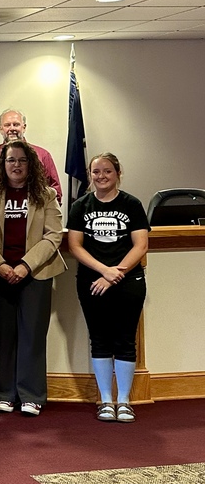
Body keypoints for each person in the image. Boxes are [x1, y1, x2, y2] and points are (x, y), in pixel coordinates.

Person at [0, 140, 65, 417]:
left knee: (32, 336)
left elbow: (54, 234)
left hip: (35, 274)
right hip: (0, 273)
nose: (16, 165)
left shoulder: (45, 194)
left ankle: (32, 395)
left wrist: (26, 265)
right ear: (2, 166)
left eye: (21, 160)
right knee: (3, 336)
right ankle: (4, 393)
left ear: (31, 164)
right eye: (10, 160)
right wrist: (1, 265)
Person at [67, 153, 149, 423]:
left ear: (117, 173)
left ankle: (124, 401)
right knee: (100, 338)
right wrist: (103, 271)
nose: (101, 176)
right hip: (92, 282)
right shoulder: (81, 205)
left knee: (125, 339)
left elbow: (141, 245)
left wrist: (116, 273)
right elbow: (75, 245)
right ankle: (105, 400)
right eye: (95, 172)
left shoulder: (132, 204)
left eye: (107, 171)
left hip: (129, 281)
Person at [0, 109, 61, 200]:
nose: (12, 128)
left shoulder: (43, 155)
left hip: (34, 212)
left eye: (16, 124)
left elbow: (55, 193)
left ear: (24, 127)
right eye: (7, 125)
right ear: (1, 129)